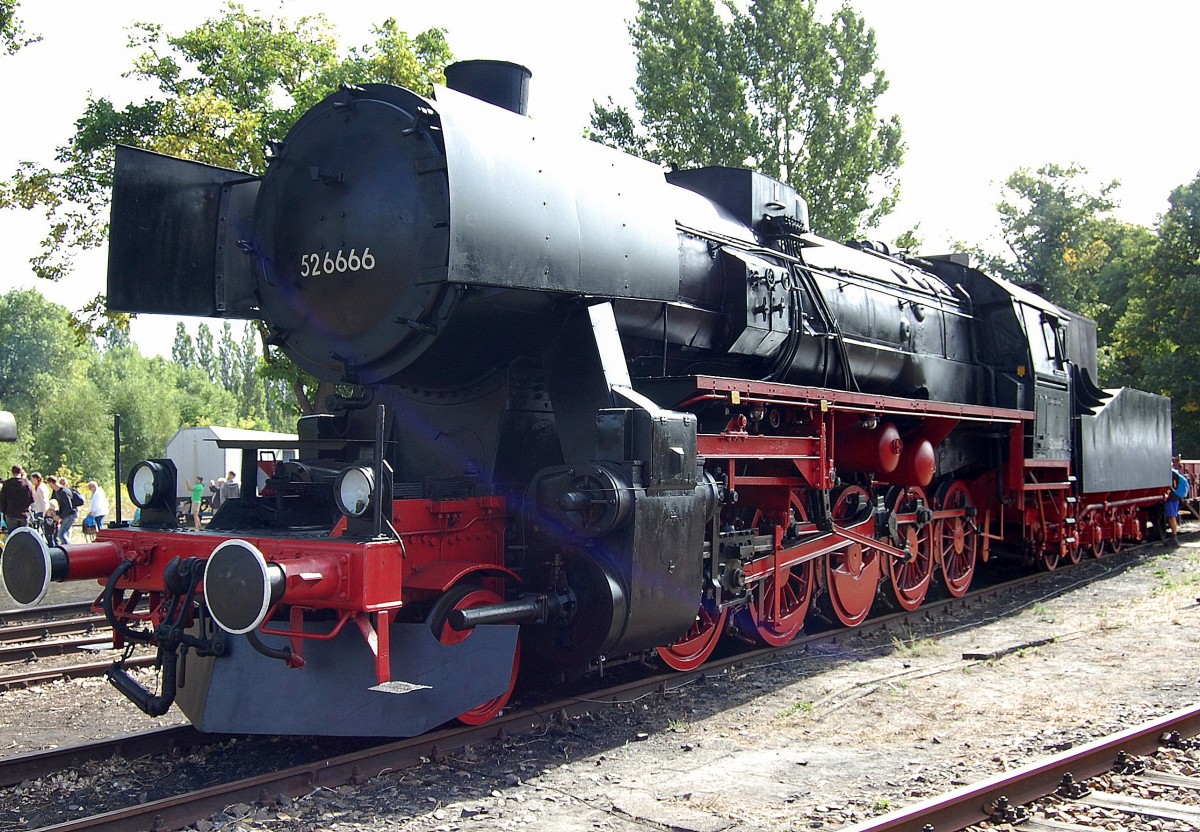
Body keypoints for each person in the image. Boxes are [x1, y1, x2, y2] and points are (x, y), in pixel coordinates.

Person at [0, 464, 35, 531]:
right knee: (23, 537)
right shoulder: (27, 484)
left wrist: (4, 512)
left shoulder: (7, 484)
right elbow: (32, 499)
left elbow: (2, 500)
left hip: (10, 514)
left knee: (12, 537)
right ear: (21, 472)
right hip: (24, 514)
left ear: (12, 472)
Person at [48, 475, 78, 546]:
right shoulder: (56, 492)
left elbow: (69, 506)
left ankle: (69, 550)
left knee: (61, 535)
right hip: (66, 514)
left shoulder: (64, 492)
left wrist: (60, 516)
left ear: (51, 483)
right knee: (62, 534)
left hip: (71, 514)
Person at [1168, 456, 1189, 542]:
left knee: (1171, 517)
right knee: (1171, 516)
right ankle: (1174, 536)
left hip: (1171, 497)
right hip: (1174, 497)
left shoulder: (1172, 474)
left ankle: (1174, 537)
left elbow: (1173, 486)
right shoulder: (1175, 473)